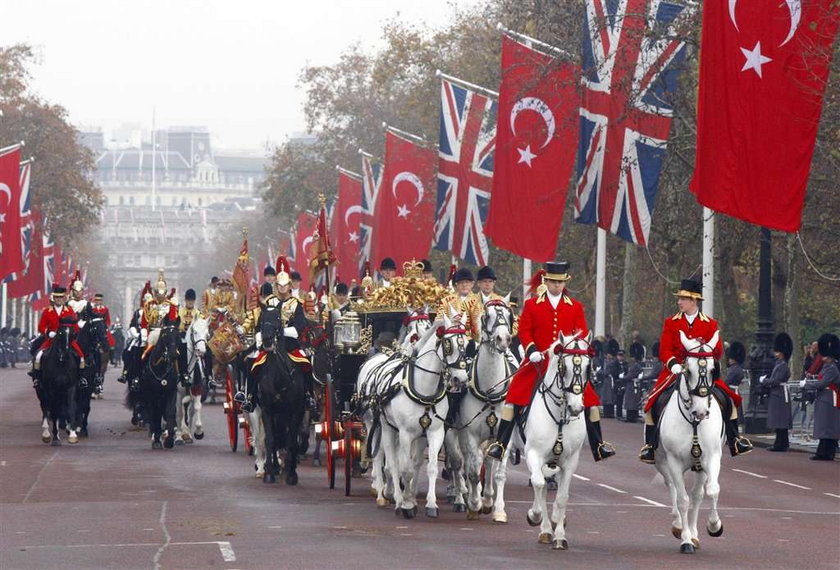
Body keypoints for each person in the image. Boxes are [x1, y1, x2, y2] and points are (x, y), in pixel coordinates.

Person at [487, 261, 615, 462]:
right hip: (538, 363)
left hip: (566, 366)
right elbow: (525, 331)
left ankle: (598, 445)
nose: (557, 286)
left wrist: (572, 350)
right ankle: (501, 444)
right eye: (553, 282)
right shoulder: (532, 304)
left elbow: (580, 335)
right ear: (546, 281)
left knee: (590, 401)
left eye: (560, 282)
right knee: (514, 397)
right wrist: (531, 350)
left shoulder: (575, 307)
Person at [639, 279, 752, 463]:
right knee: (652, 403)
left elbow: (718, 352)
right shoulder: (671, 322)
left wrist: (707, 352)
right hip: (675, 372)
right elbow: (664, 349)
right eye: (679, 298)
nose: (679, 302)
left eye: (683, 298)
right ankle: (650, 447)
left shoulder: (710, 324)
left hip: (703, 373)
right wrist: (673, 363)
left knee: (730, 400)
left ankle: (735, 440)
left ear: (694, 300)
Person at [28, 285, 86, 387]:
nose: (59, 300)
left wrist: (76, 330)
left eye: (61, 297)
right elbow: (41, 326)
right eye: (57, 298)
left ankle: (81, 378)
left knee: (81, 356)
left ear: (64, 298)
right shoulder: (47, 311)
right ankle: (37, 378)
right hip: (51, 339)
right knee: (38, 356)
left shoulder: (69, 311)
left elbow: (75, 326)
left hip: (67, 340)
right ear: (54, 298)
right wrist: (48, 332)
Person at [802, 333, 840, 461]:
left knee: (828, 426)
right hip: (825, 397)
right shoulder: (828, 367)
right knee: (825, 426)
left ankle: (826, 452)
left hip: (829, 398)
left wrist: (807, 385)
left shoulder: (832, 368)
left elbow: (823, 383)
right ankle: (824, 452)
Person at [762, 333, 793, 452]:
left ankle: (781, 444)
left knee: (781, 420)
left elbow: (776, 380)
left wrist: (764, 381)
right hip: (778, 394)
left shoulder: (783, 365)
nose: (775, 353)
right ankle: (781, 442)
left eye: (777, 351)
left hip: (780, 394)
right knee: (779, 421)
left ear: (781, 352)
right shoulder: (779, 364)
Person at [178, 289, 202, 384]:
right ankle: (182, 372)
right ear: (185, 300)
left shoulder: (198, 313)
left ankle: (209, 376)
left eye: (192, 300)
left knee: (207, 350)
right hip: (182, 335)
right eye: (188, 300)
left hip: (195, 337)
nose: (190, 302)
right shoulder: (180, 312)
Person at [623, 342, 644, 423]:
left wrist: (622, 377)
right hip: (635, 385)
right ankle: (633, 415)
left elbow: (629, 376)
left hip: (632, 385)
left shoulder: (635, 365)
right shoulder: (638, 364)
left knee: (630, 401)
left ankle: (630, 417)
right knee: (633, 400)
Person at [725, 341, 746, 422]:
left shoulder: (733, 369)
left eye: (731, 358)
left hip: (731, 392)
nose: (729, 360)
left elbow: (727, 381)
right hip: (735, 391)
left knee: (732, 411)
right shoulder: (737, 368)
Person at [599, 339, 619, 418]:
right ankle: (608, 412)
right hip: (608, 380)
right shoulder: (611, 361)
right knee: (608, 397)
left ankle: (608, 413)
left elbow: (606, 372)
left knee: (607, 398)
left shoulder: (610, 362)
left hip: (608, 381)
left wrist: (599, 371)